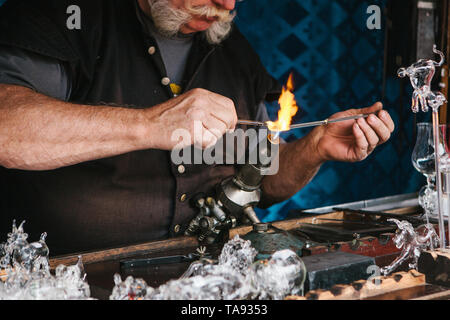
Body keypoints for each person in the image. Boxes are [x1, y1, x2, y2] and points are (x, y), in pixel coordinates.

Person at [0, 0, 394, 255]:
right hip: (69, 281)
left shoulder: (231, 50)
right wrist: (150, 124)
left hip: (205, 285)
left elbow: (261, 183)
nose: (227, 4)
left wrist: (314, 148)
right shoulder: (70, 16)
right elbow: (8, 129)